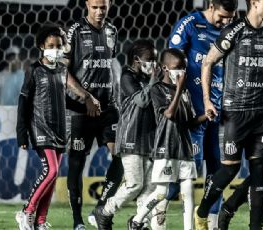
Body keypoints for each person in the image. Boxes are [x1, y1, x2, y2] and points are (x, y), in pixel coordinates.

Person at [194, 0, 263, 229]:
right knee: (230, 169)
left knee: (261, 177)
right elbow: (208, 62)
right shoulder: (234, 32)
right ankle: (202, 211)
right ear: (254, 2)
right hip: (235, 114)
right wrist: (207, 101)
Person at [167, 0, 237, 228]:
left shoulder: (231, 31)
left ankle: (211, 223)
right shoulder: (189, 24)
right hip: (192, 115)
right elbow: (170, 64)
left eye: (231, 17)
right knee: (187, 173)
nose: (226, 21)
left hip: (219, 113)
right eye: (223, 16)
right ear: (212, 6)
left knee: (218, 170)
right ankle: (151, 207)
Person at [128, 48, 204, 230]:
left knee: (188, 192)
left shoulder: (185, 92)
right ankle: (137, 221)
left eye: (184, 68)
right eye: (178, 67)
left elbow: (190, 121)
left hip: (184, 147)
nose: (182, 72)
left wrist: (206, 115)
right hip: (165, 147)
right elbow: (169, 114)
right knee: (161, 192)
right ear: (165, 68)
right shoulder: (157, 89)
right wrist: (178, 90)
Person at [64, 0, 123, 229]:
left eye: (104, 7)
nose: (99, 11)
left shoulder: (112, 31)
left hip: (107, 108)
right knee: (77, 163)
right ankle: (77, 221)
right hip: (80, 109)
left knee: (122, 158)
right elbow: (63, 71)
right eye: (95, 6)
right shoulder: (75, 31)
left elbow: (107, 65)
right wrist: (86, 96)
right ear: (87, 3)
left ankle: (100, 208)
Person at [92, 39, 158, 230]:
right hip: (131, 138)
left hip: (148, 138)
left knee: (149, 187)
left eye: (155, 59)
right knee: (134, 185)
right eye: (149, 59)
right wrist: (155, 80)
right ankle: (104, 211)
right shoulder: (127, 77)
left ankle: (139, 222)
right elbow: (142, 100)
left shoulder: (148, 79)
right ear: (136, 59)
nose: (153, 63)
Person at [15, 24, 68, 230]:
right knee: (51, 170)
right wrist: (22, 134)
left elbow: (64, 100)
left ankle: (40, 221)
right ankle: (27, 211)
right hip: (40, 128)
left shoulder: (63, 70)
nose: (55, 49)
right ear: (41, 47)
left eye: (59, 45)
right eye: (51, 45)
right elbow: (23, 102)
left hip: (60, 130)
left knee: (53, 177)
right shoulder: (34, 70)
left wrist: (87, 104)